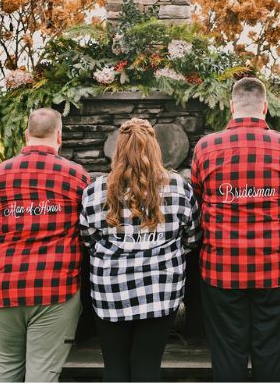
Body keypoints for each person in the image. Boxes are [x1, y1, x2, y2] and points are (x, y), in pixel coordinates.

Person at [190, 77, 280, 381]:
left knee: (227, 353)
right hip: (274, 270)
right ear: (265, 107)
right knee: (271, 353)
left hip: (221, 270)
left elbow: (198, 198)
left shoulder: (206, 147)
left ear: (231, 106)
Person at [79, 118, 201, 381]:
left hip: (110, 292)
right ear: (155, 148)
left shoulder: (94, 191)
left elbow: (87, 240)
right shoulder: (179, 188)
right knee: (147, 366)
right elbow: (192, 238)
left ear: (118, 149)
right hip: (160, 290)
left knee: (114, 366)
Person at [0, 108, 91, 382]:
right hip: (54, 289)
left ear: (26, 134)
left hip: (5, 287)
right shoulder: (76, 175)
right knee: (42, 374)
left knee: (4, 368)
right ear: (59, 135)